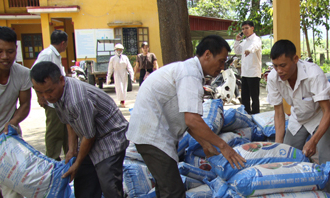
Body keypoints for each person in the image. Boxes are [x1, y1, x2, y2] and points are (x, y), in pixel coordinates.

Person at [126, 35, 246, 198]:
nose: (222, 67)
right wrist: (223, 146)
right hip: (153, 136)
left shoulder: (188, 70)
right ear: (208, 54)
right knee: (173, 191)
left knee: (166, 188)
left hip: (150, 134)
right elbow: (192, 120)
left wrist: (205, 144)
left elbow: (187, 120)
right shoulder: (190, 74)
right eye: (220, 61)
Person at [30, 61, 129, 198]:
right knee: (84, 184)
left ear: (61, 80)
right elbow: (69, 122)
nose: (46, 97)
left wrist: (77, 163)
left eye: (49, 91)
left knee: (109, 186)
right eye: (40, 92)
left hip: (110, 137)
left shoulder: (77, 100)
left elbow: (89, 136)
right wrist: (72, 150)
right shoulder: (57, 95)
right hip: (90, 135)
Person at [267, 40, 330, 190]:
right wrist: (278, 146)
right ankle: (304, 184)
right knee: (287, 154)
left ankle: (326, 191)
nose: (279, 70)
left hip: (321, 116)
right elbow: (279, 114)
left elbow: (327, 111)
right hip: (298, 117)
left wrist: (313, 141)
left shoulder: (313, 74)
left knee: (325, 157)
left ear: (295, 59)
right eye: (275, 66)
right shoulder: (273, 78)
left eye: (283, 65)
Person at [0, 26, 32, 198]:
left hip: (8, 139)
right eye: (0, 51)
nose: (5, 57)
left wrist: (12, 122)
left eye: (10, 51)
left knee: (13, 191)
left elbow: (25, 104)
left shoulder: (22, 73)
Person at [33, 30, 68, 161]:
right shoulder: (47, 54)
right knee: (54, 132)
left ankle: (68, 157)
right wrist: (40, 95)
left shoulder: (56, 55)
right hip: (52, 101)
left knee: (65, 130)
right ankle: (52, 159)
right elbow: (33, 75)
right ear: (63, 43)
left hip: (60, 100)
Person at [234, 21, 262, 114]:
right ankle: (246, 115)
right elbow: (237, 51)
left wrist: (249, 50)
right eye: (243, 29)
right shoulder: (244, 42)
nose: (244, 30)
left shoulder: (256, 39)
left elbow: (255, 46)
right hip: (245, 73)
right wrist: (237, 40)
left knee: (254, 97)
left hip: (254, 73)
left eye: (246, 28)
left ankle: (255, 115)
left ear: (252, 28)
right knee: (245, 97)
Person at [107, 43, 135, 108]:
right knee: (119, 87)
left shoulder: (125, 58)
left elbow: (129, 67)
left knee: (124, 87)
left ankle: (123, 101)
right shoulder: (112, 59)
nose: (119, 51)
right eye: (118, 50)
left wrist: (132, 76)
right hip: (117, 73)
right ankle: (121, 101)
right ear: (115, 50)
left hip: (124, 73)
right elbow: (110, 69)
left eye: (120, 50)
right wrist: (108, 78)